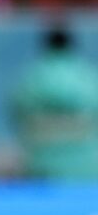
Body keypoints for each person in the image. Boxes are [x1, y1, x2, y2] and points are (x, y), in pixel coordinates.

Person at [10, 23, 98, 180]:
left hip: (42, 171)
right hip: (89, 175)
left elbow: (17, 116)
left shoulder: (32, 80)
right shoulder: (88, 78)